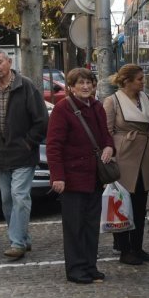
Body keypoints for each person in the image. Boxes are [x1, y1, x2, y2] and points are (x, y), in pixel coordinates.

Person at [0, 48, 48, 260]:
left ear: (9, 62)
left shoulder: (25, 86)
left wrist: (28, 143)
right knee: (7, 200)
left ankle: (16, 243)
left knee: (20, 196)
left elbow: (42, 119)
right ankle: (23, 239)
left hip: (23, 154)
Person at [46, 68, 115, 284]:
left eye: (89, 82)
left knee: (91, 224)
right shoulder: (62, 109)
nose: (85, 87)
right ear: (71, 87)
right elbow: (54, 145)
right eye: (80, 83)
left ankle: (90, 265)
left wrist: (110, 148)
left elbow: (106, 135)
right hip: (72, 177)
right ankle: (75, 269)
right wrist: (57, 176)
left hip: (94, 177)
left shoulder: (97, 106)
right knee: (74, 226)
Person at [104, 64, 149, 266]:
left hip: (145, 157)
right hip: (124, 158)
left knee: (140, 205)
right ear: (127, 80)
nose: (143, 82)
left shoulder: (145, 99)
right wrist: (110, 156)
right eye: (139, 79)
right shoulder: (112, 101)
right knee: (121, 204)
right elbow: (106, 132)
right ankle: (124, 249)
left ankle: (137, 247)